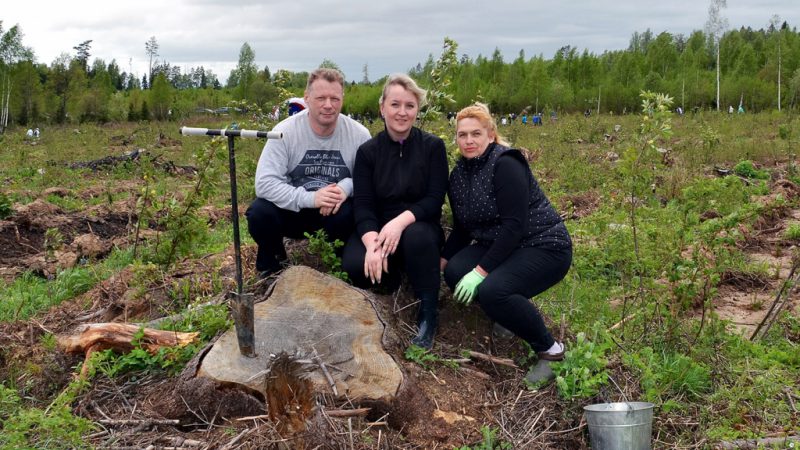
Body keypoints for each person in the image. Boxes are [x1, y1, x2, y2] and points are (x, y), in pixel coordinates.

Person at [441, 103, 573, 384]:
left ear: (490, 135)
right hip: (502, 245)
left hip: (543, 244)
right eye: (462, 135)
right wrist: (441, 261)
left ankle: (551, 351)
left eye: (476, 133)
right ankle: (507, 314)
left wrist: (480, 272)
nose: (468, 141)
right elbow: (463, 229)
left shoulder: (505, 164)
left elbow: (515, 226)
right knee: (454, 272)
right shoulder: (459, 176)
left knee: (492, 290)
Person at [342, 74, 448, 349]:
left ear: (417, 110)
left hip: (418, 224)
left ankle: (427, 312)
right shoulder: (367, 152)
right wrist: (372, 243)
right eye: (395, 104)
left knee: (418, 239)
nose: (402, 112)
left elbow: (434, 199)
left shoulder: (433, 147)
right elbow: (363, 204)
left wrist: (400, 223)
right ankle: (392, 280)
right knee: (355, 263)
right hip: (378, 227)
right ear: (382, 107)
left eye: (410, 106)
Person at [246, 68, 371, 278]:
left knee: (350, 211)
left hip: (333, 212)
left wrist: (345, 187)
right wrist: (311, 198)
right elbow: (265, 183)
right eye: (321, 98)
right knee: (259, 213)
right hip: (294, 209)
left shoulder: (359, 135)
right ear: (307, 98)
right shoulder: (285, 131)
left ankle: (338, 263)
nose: (328, 105)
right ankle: (273, 262)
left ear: (342, 99)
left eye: (334, 98)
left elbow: (370, 179)